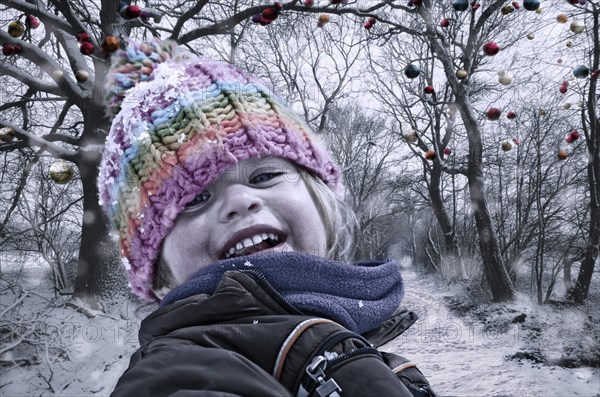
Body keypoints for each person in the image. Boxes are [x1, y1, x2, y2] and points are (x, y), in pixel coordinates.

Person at [99, 39, 435, 397]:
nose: (241, 201)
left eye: (263, 176)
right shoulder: (177, 373)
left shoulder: (353, 338)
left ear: (319, 198)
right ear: (159, 271)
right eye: (196, 199)